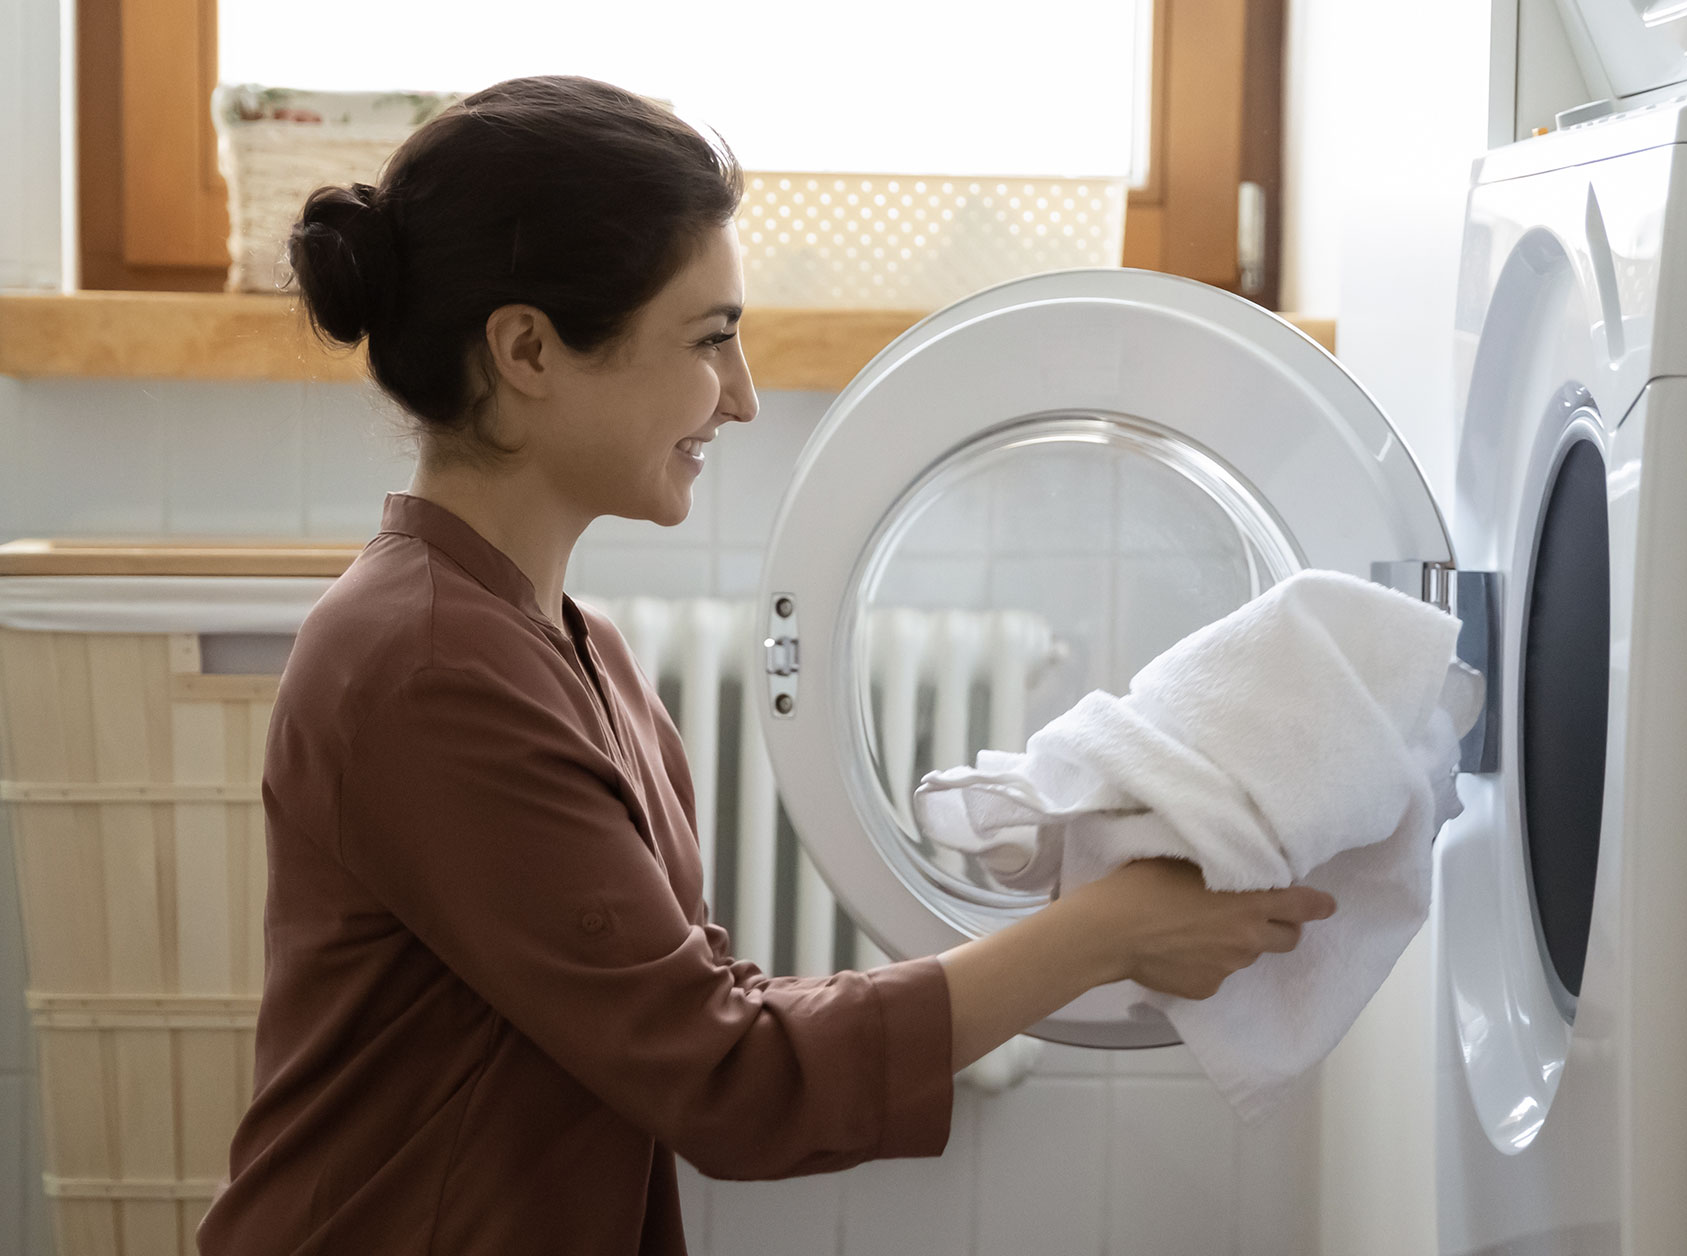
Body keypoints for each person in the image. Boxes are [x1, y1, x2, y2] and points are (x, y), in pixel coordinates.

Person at [195, 75, 1334, 1256]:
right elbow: (728, 1076)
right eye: (709, 339)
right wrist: (1102, 933)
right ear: (527, 348)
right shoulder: (427, 670)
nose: (740, 397)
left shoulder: (568, 645)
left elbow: (699, 1016)